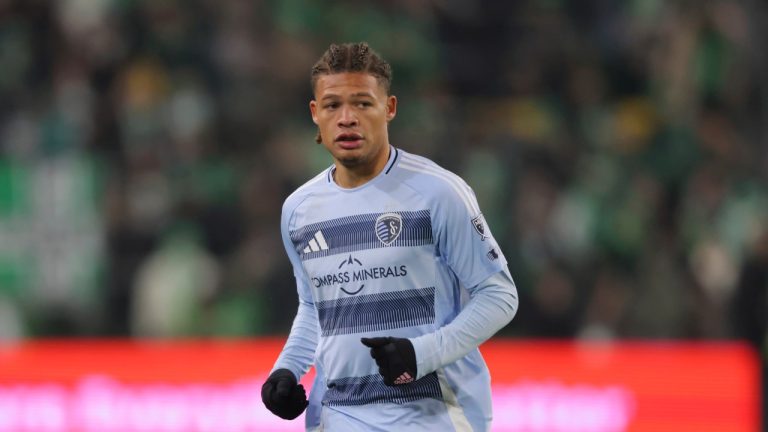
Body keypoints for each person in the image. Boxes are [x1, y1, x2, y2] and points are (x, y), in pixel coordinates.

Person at [261, 42, 519, 431]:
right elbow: (315, 308)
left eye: (363, 103)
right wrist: (287, 369)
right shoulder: (298, 210)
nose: (347, 118)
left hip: (432, 417)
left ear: (390, 108)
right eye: (332, 106)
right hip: (336, 416)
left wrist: (422, 353)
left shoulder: (438, 193)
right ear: (315, 114)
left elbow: (499, 296)